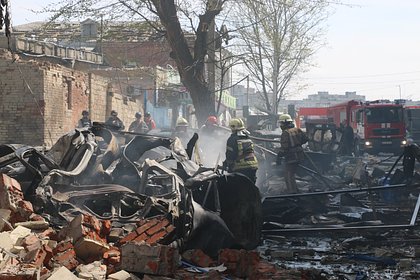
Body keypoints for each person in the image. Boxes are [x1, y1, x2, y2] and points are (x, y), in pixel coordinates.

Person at [276, 114, 309, 193]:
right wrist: (298, 144)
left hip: (291, 157)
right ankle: (295, 190)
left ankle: (292, 193)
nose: (281, 126)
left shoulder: (285, 133)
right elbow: (306, 139)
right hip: (300, 155)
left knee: (288, 175)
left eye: (281, 124)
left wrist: (279, 157)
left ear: (285, 123)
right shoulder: (297, 129)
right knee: (292, 174)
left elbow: (284, 148)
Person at [223, 118, 258, 183]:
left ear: (232, 128)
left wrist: (228, 166)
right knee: (251, 188)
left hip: (241, 168)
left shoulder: (232, 139)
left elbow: (230, 155)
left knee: (238, 189)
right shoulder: (247, 137)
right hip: (253, 166)